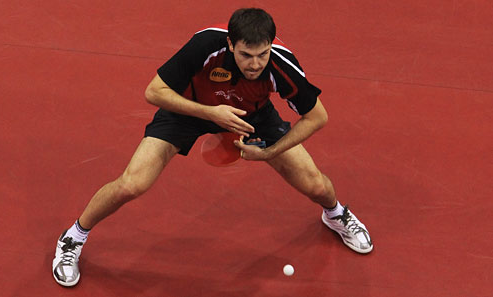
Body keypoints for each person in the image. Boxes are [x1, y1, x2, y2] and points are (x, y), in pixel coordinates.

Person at [52, 8, 373, 287]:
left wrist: (270, 152)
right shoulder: (205, 45)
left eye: (262, 54)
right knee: (132, 183)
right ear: (231, 43)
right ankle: (73, 237)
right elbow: (154, 91)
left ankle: (336, 215)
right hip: (188, 110)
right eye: (246, 55)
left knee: (315, 183)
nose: (255, 64)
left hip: (252, 117)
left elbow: (317, 117)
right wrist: (210, 113)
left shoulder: (281, 66)